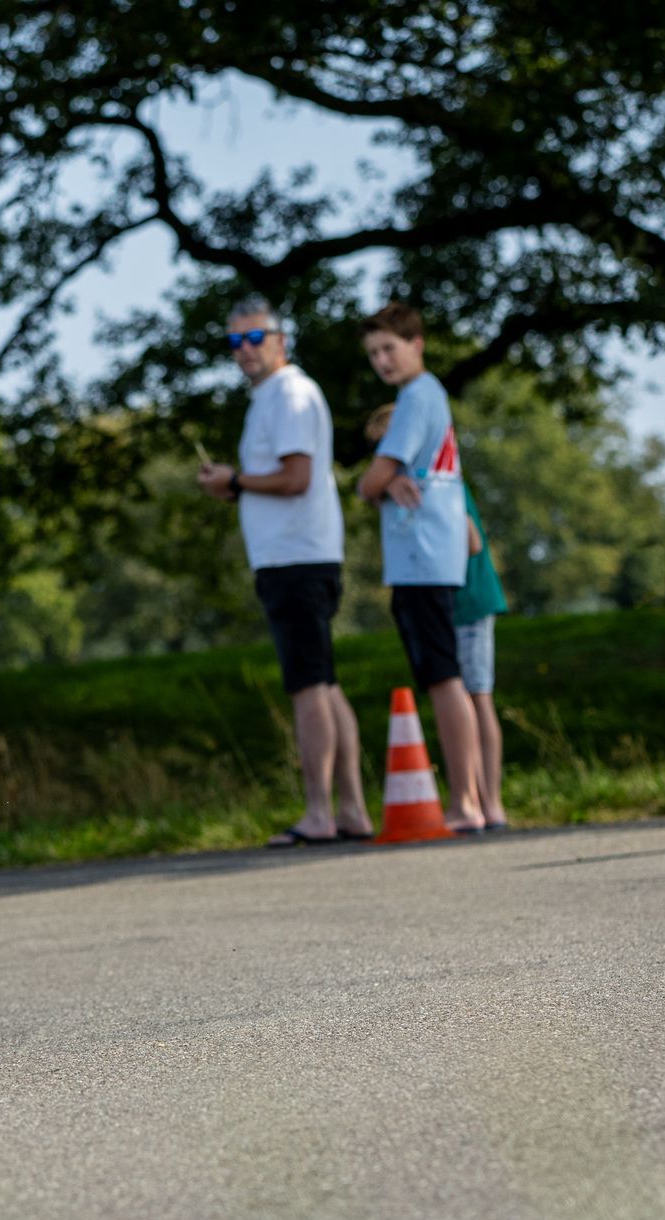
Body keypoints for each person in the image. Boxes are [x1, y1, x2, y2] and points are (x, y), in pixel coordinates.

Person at [198, 296, 372, 846]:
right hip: (296, 556)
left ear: (280, 339)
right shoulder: (272, 396)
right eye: (235, 341)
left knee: (308, 687)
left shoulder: (290, 394)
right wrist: (236, 485)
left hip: (297, 559)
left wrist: (239, 480)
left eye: (255, 338)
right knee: (324, 683)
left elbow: (297, 477)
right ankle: (353, 813)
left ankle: (320, 813)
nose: (244, 350)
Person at [356, 302, 484, 833]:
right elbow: (384, 478)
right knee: (443, 675)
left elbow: (370, 481)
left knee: (443, 677)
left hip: (423, 558)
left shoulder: (415, 398)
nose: (382, 360)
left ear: (417, 344)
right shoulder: (428, 396)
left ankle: (466, 801)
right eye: (373, 354)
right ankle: (471, 798)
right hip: (429, 555)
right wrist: (386, 480)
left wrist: (379, 481)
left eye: (389, 348)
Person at [456, 479, 509, 829]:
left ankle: (489, 802)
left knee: (476, 696)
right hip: (460, 605)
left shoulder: (438, 478)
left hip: (468, 603)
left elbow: (470, 539)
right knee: (471, 696)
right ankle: (480, 801)